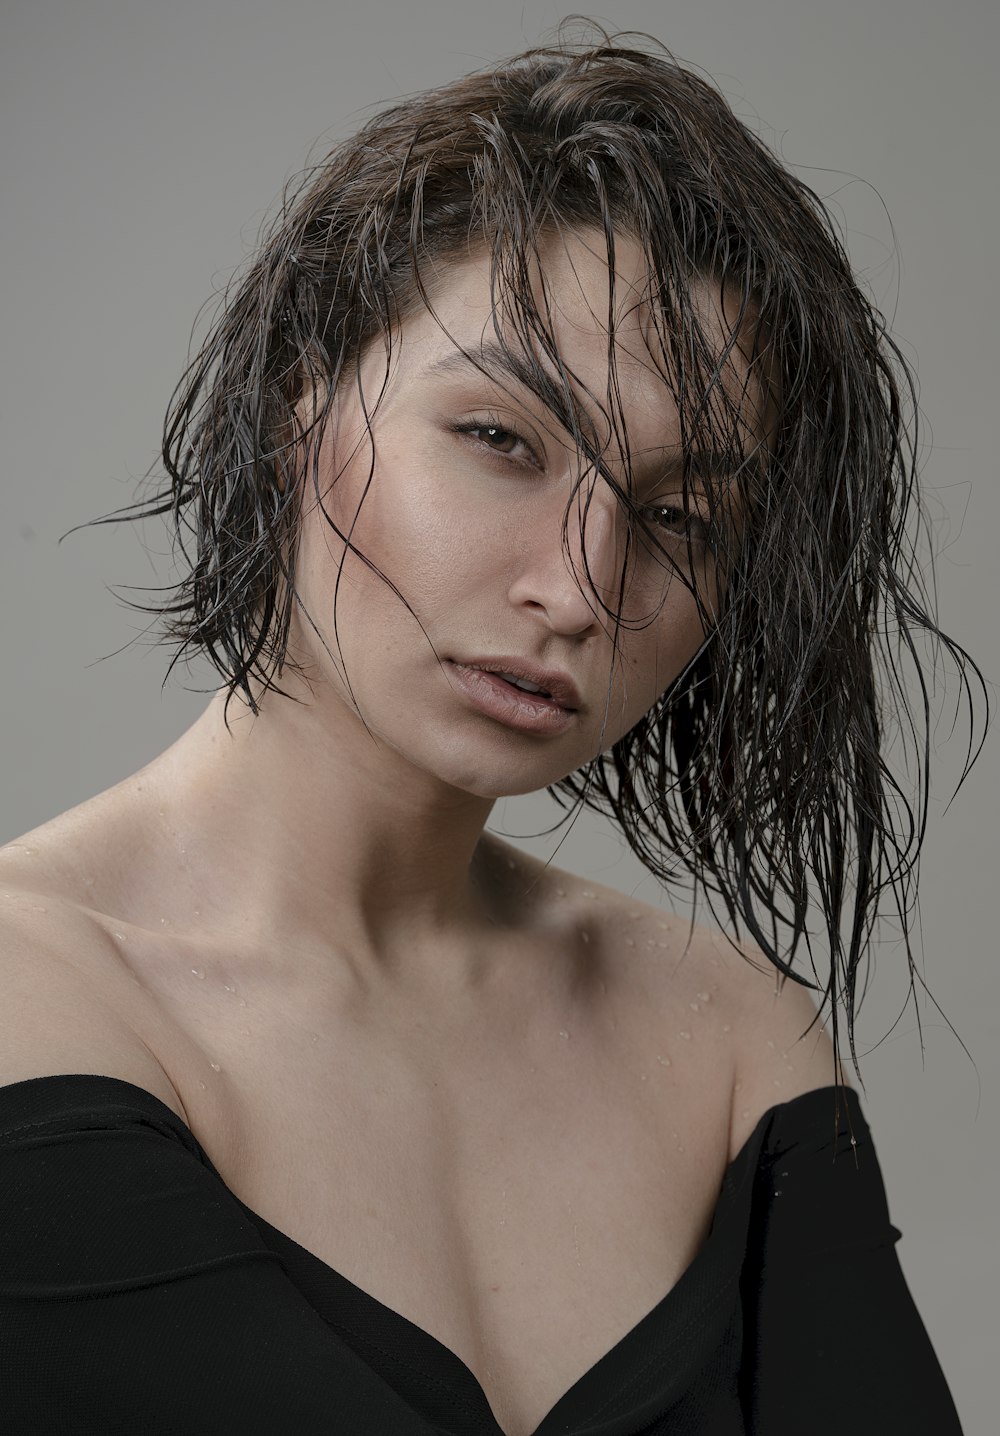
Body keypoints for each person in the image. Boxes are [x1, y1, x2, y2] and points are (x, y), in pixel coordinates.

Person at [0, 20, 983, 1436]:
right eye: (502, 441)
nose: (583, 589)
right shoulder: (39, 1009)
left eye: (680, 515)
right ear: (300, 406)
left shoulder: (724, 1049)